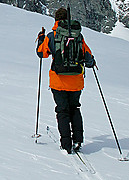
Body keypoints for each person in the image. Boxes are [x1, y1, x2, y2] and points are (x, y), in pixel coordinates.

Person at [36, 8, 96, 153]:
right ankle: (78, 140)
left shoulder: (52, 36)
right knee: (74, 108)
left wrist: (41, 40)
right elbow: (88, 58)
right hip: (76, 81)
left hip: (58, 80)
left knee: (62, 111)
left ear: (55, 19)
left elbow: (41, 54)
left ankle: (66, 144)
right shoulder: (78, 36)